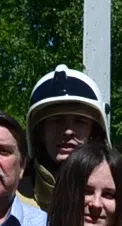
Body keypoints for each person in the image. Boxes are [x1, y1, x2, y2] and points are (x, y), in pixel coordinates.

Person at [23, 65, 109, 209]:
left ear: (94, 133)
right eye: (56, 120)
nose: (68, 131)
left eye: (80, 121)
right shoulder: (12, 200)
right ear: (40, 133)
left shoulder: (119, 196)